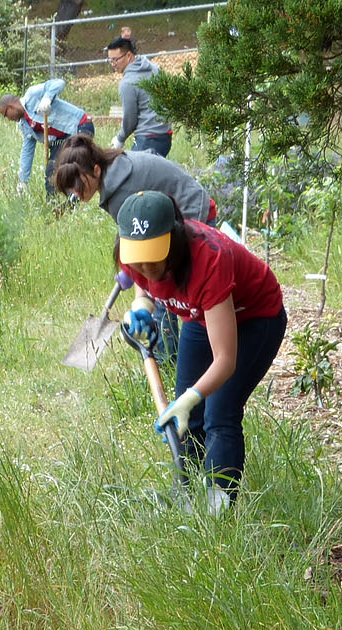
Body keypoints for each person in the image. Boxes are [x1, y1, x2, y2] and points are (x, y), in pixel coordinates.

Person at [113, 190, 286, 498]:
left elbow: (225, 360)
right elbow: (143, 285)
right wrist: (142, 307)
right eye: (138, 259)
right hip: (201, 315)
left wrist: (193, 396)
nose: (146, 267)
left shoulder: (209, 260)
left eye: (154, 257)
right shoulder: (132, 255)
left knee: (219, 412)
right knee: (188, 416)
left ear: (174, 238)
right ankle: (188, 496)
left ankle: (218, 508)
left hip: (256, 317)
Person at [51, 134, 213, 224]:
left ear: (96, 170)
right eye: (70, 187)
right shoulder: (115, 164)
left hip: (194, 211)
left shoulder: (120, 192)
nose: (75, 192)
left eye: (78, 185)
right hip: (193, 203)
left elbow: (140, 241)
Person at [0, 77, 94, 195]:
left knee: (69, 167)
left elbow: (59, 83)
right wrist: (23, 180)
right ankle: (53, 204)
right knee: (51, 173)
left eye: (6, 115)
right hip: (61, 140)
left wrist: (47, 98)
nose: (8, 119)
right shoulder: (24, 125)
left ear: (11, 107)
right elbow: (27, 151)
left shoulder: (32, 95)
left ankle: (74, 200)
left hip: (80, 126)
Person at [105, 36, 172, 156]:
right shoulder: (154, 68)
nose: (113, 64)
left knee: (131, 167)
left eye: (115, 60)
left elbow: (130, 120)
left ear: (129, 55)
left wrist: (120, 139)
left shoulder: (127, 83)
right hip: (165, 137)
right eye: (110, 60)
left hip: (148, 139)